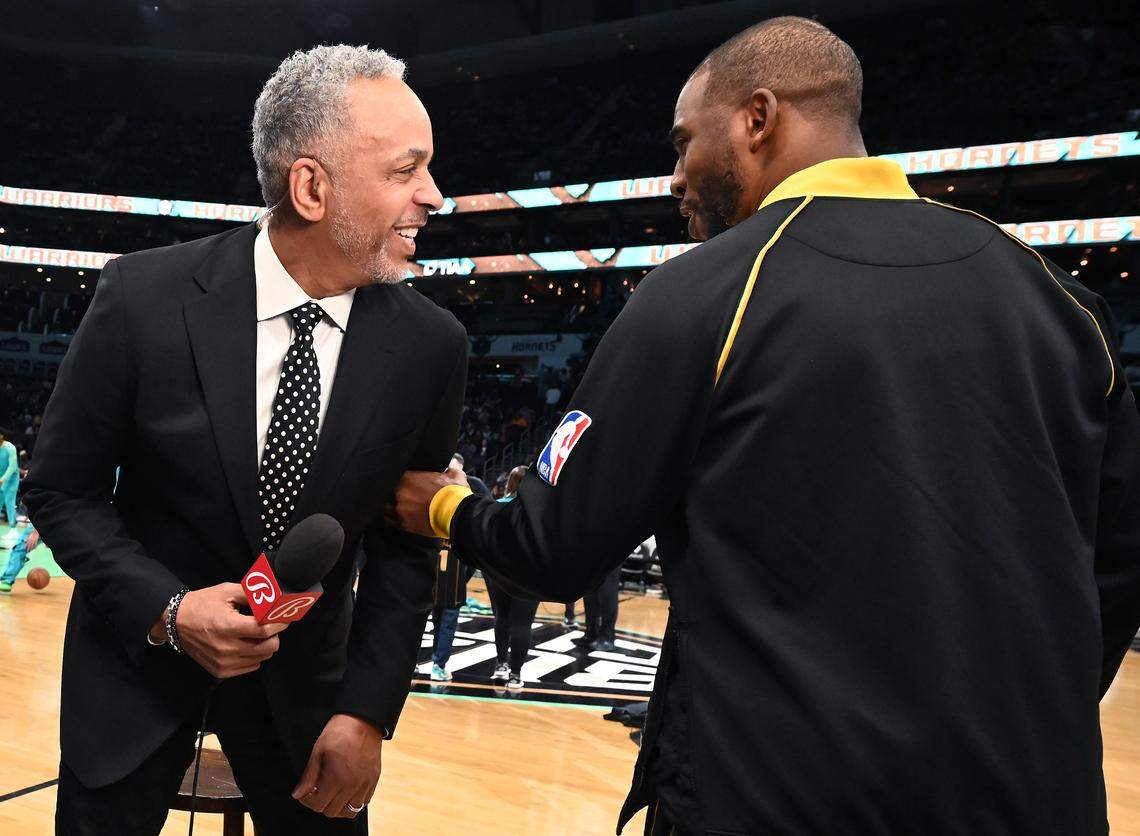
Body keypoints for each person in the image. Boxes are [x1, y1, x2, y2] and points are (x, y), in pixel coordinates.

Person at [392, 16, 1140, 836]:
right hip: (1032, 800)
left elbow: (553, 548)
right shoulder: (1065, 303)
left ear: (758, 118)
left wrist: (445, 508)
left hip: (775, 797)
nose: (675, 176)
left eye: (684, 144)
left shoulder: (706, 294)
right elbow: (1114, 574)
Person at [26, 44, 466, 836]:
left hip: (310, 707)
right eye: (407, 171)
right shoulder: (142, 297)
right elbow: (61, 491)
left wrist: (367, 713)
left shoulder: (434, 346)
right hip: (133, 676)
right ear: (310, 186)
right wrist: (168, 609)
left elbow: (403, 552)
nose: (435, 196)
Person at [428, 454, 489, 682]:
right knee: (444, 619)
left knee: (435, 616)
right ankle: (438, 665)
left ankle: (424, 663)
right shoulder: (473, 487)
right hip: (451, 560)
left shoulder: (436, 485)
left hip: (440, 559)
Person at [484, 466, 538, 692]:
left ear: (511, 482)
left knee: (503, 617)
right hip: (528, 574)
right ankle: (516, 675)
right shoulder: (537, 511)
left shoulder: (497, 506)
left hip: (500, 573)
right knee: (522, 624)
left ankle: (501, 664)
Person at [0, 516, 40, 592]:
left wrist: (36, 532)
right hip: (62, 522)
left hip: (43, 522)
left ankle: (6, 581)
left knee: (19, 549)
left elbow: (44, 508)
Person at [0, 427, 19, 529]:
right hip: (0, 479)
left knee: (9, 502)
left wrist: (2, 479)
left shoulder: (10, 447)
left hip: (11, 479)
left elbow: (12, 467)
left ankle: (13, 529)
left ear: (1, 436)